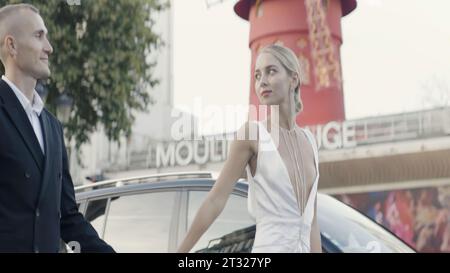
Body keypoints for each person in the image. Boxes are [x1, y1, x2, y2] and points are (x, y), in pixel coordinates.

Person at [177, 44, 321, 253]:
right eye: (256, 75)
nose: (262, 81)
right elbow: (215, 200)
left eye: (271, 71)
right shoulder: (252, 135)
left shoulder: (310, 141)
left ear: (294, 79)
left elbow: (312, 222)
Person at [0, 3, 114, 253]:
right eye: (39, 36)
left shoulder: (52, 127)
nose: (49, 48)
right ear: (12, 45)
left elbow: (68, 217)